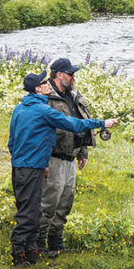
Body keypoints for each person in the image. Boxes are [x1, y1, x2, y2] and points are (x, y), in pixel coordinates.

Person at [7, 71, 117, 266]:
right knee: (28, 214)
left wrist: (29, 162)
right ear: (38, 89)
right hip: (30, 168)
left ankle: (32, 252)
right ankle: (18, 256)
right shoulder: (43, 111)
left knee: (32, 211)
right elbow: (72, 124)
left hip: (21, 168)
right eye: (44, 82)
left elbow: (12, 142)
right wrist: (102, 123)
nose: (48, 83)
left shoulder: (20, 108)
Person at [39, 57, 94, 256]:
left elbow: (83, 123)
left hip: (71, 158)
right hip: (52, 158)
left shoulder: (74, 95)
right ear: (60, 74)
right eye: (70, 74)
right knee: (48, 203)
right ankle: (39, 245)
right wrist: (42, 161)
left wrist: (83, 151)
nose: (73, 77)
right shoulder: (45, 97)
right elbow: (41, 132)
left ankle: (55, 242)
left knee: (65, 203)